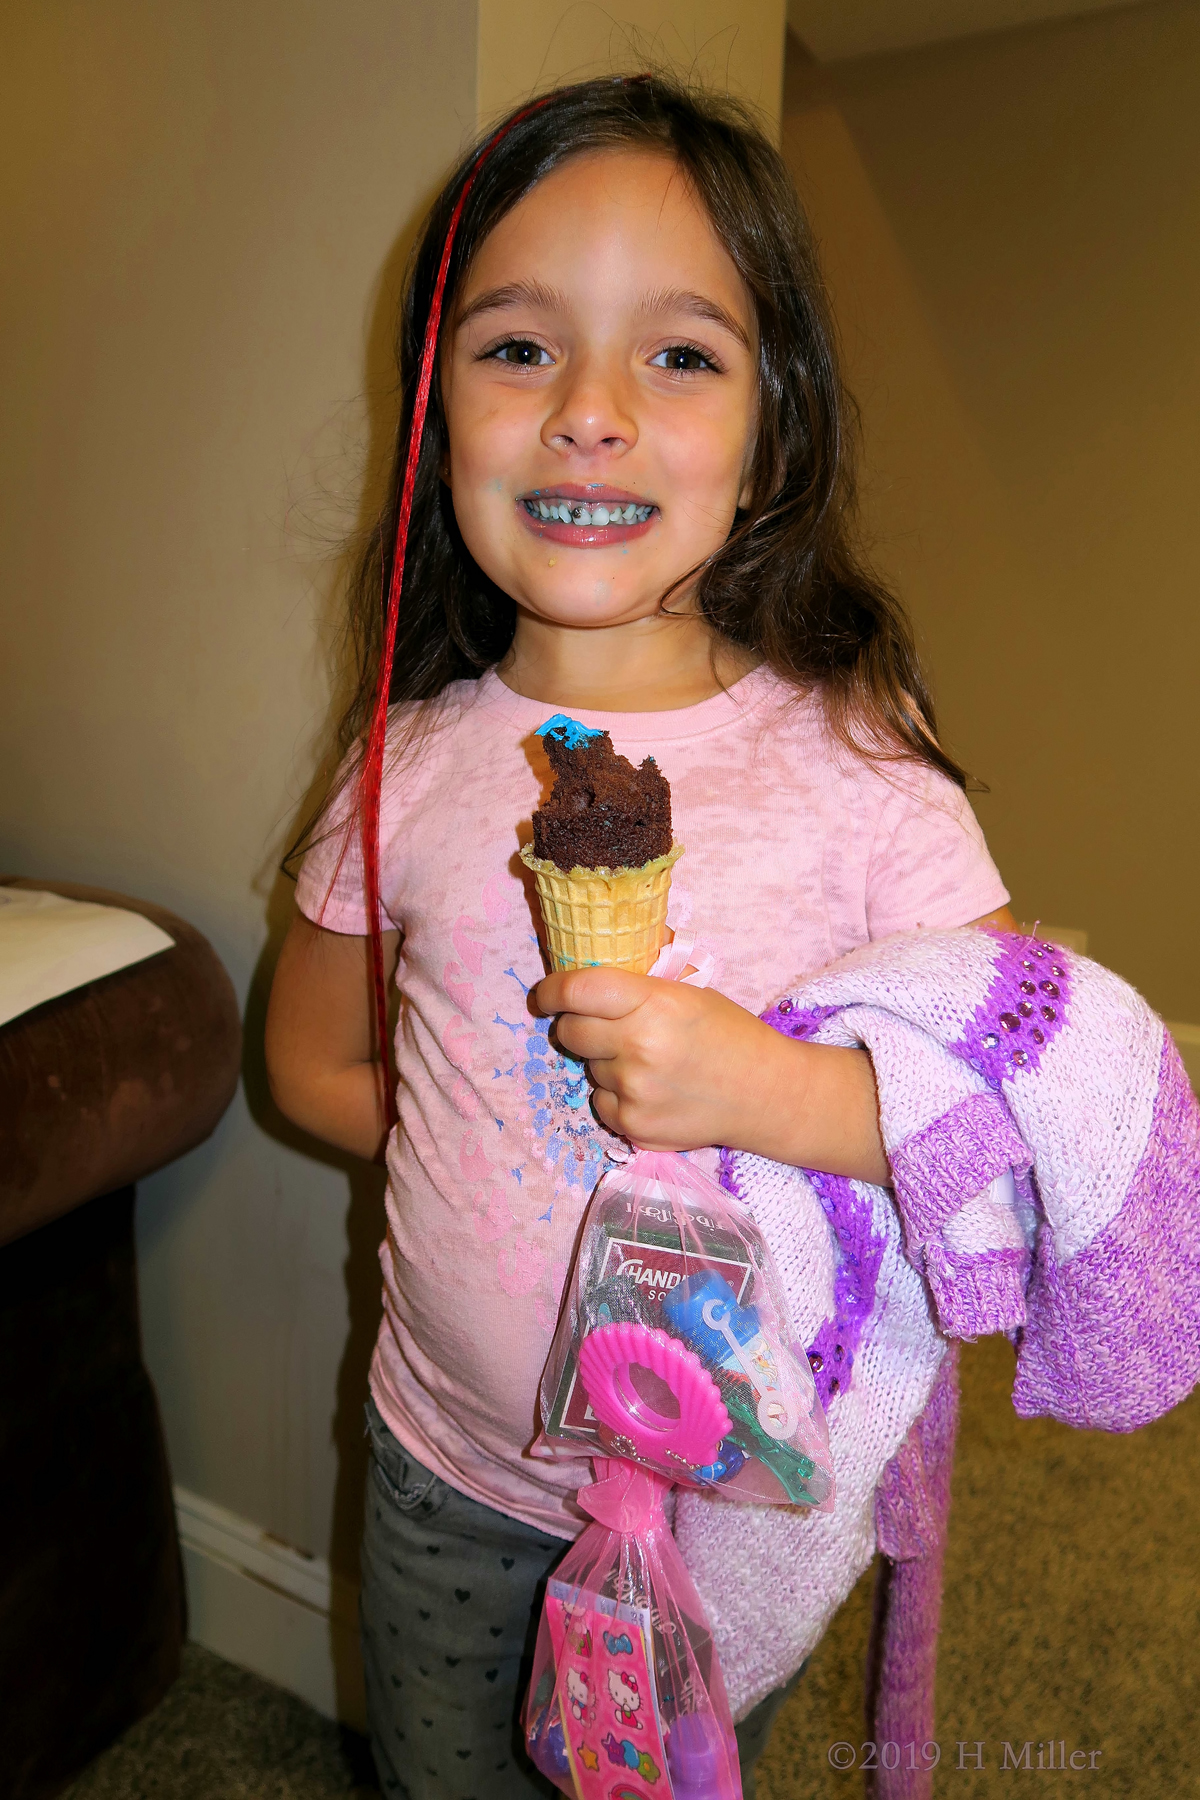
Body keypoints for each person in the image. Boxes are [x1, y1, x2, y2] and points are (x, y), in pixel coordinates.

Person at [264, 74, 1015, 1800]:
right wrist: (477, 1146)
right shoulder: (413, 762)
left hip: (720, 1507)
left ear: (776, 429)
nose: (589, 411)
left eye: (681, 355)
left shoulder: (860, 767)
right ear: (435, 410)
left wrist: (769, 1095)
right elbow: (311, 1057)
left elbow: (1006, 1137)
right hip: (440, 1474)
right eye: (519, 347)